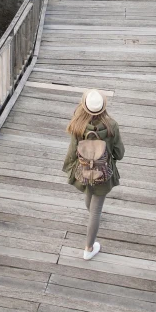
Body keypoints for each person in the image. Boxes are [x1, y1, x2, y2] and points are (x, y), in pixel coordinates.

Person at [62, 89, 124, 260]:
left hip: (83, 171)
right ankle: (89, 249)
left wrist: (68, 168)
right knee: (96, 212)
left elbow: (72, 151)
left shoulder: (78, 125)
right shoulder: (111, 126)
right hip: (103, 173)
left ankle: (92, 220)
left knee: (90, 199)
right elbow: (119, 153)